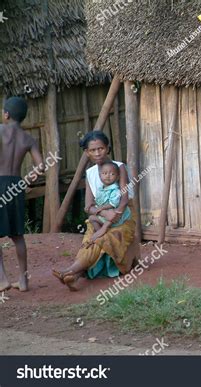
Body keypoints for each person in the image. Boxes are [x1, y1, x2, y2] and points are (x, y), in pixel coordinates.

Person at [52, 132, 138, 291]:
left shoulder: (118, 167)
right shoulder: (91, 173)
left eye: (101, 148)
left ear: (107, 149)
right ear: (87, 152)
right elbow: (88, 206)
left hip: (122, 215)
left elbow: (124, 199)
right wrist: (104, 214)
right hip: (101, 216)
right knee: (91, 238)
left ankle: (72, 271)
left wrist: (113, 215)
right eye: (92, 150)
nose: (97, 153)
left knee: (100, 239)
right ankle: (74, 274)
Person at [0, 97, 44, 292]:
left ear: (6, 114)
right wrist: (28, 179)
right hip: (16, 184)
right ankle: (23, 280)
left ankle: (2, 280)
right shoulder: (29, 138)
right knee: (17, 235)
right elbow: (41, 166)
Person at [85, 161, 131, 245]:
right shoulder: (101, 189)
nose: (108, 176)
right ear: (100, 176)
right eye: (104, 173)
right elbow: (100, 200)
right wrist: (93, 203)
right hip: (107, 215)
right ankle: (102, 235)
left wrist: (101, 208)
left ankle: (103, 229)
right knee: (91, 218)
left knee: (112, 213)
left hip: (117, 216)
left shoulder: (116, 190)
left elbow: (113, 204)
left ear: (117, 177)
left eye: (112, 174)